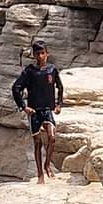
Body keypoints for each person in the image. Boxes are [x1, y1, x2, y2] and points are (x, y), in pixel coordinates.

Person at [12, 41, 63, 185]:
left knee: (52, 137)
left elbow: (60, 87)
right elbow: (16, 88)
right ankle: (40, 174)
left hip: (47, 109)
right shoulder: (29, 71)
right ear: (34, 55)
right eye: (37, 54)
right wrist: (23, 106)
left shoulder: (52, 70)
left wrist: (59, 104)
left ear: (47, 54)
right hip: (34, 111)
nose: (40, 56)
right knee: (37, 142)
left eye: (42, 53)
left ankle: (47, 164)